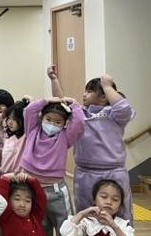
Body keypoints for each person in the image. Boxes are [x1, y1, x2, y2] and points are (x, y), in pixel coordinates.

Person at [48, 66, 136, 221]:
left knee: (120, 213)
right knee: (86, 211)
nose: (84, 94)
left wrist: (107, 86)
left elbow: (123, 107)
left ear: (103, 97)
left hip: (113, 172)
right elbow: (61, 103)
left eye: (89, 91)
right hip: (85, 173)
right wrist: (54, 79)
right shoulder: (79, 113)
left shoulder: (114, 114)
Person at [19, 96, 84, 236]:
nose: (52, 124)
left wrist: (74, 105)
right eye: (48, 119)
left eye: (58, 122)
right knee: (40, 230)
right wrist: (46, 100)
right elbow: (29, 110)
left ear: (64, 124)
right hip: (33, 191)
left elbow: (79, 123)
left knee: (66, 230)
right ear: (41, 117)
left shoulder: (65, 137)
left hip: (56, 191)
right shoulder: (32, 130)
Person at [0, 97, 29, 176]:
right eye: (9, 118)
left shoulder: (26, 138)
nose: (10, 122)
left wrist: (30, 101)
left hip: (18, 177)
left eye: (14, 119)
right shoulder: (9, 137)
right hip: (4, 176)